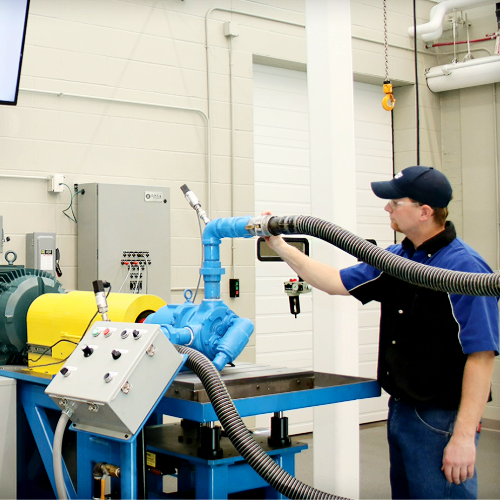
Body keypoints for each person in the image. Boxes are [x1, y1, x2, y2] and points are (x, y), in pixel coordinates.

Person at [264, 166, 499, 499]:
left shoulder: (466, 268)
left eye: (394, 201)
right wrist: (281, 246)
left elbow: (482, 355)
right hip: (401, 409)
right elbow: (334, 281)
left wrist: (462, 437)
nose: (387, 207)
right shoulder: (396, 258)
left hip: (441, 419)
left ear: (424, 212)